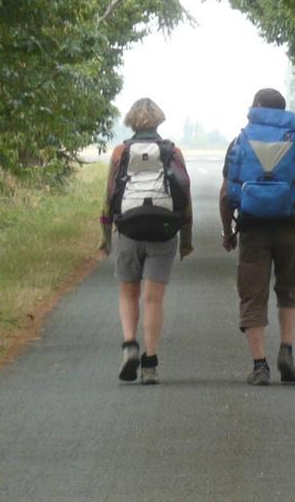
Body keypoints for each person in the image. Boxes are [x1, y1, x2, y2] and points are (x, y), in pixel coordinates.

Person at [220, 88, 295, 385]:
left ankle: (260, 365)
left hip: (252, 228)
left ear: (256, 108)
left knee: (253, 296)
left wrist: (228, 232)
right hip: (291, 225)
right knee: (289, 290)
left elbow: (226, 194)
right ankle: (286, 350)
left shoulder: (240, 141)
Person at [99, 97, 193, 385]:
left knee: (129, 292)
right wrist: (186, 239)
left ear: (131, 121)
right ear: (159, 121)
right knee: (153, 299)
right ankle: (150, 363)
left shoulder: (120, 152)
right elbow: (184, 196)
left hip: (128, 230)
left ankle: (130, 345)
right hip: (163, 231)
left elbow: (109, 199)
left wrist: (105, 238)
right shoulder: (172, 151)